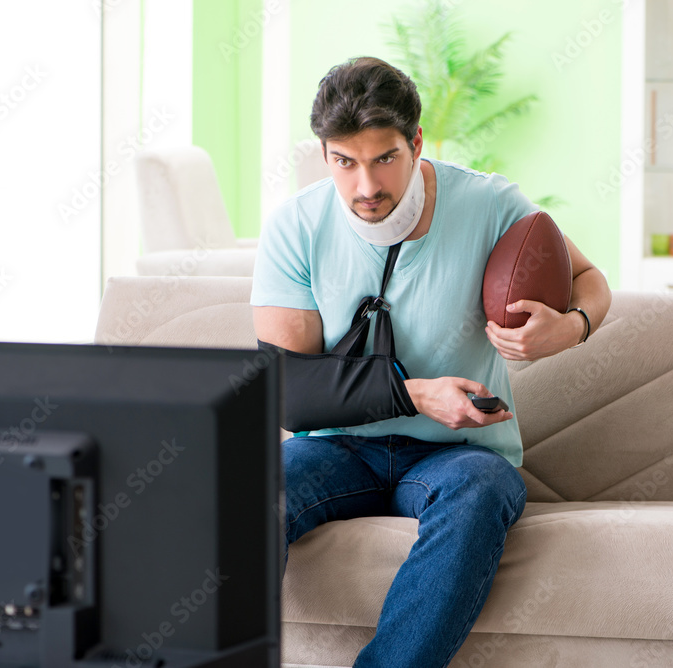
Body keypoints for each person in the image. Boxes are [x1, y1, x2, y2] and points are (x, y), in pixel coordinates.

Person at [251, 56, 611, 668]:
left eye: (384, 158)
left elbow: (589, 277)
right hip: (338, 446)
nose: (366, 186)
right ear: (324, 155)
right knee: (248, 488)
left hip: (459, 455)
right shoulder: (294, 226)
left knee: (481, 490)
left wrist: (571, 326)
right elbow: (287, 391)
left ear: (417, 142)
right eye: (345, 161)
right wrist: (415, 395)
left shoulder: (492, 204)